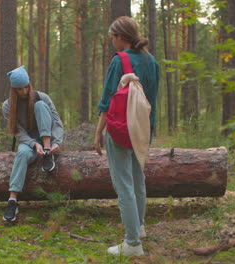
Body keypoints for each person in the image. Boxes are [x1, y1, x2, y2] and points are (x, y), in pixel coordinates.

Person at [94, 16, 159, 256]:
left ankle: (132, 244)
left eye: (112, 37)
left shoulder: (119, 60)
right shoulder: (152, 61)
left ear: (121, 37)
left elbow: (107, 101)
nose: (112, 41)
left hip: (121, 129)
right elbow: (152, 99)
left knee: (123, 184)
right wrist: (149, 131)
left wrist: (98, 131)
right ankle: (139, 228)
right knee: (137, 177)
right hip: (142, 129)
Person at [2, 65, 64, 222]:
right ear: (13, 90)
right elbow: (18, 132)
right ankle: (12, 201)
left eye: (25, 87)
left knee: (40, 106)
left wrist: (55, 142)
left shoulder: (42, 97)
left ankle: (48, 152)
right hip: (28, 141)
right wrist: (34, 145)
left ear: (29, 85)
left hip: (48, 138)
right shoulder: (8, 106)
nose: (23, 92)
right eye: (19, 89)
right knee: (22, 154)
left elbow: (57, 122)